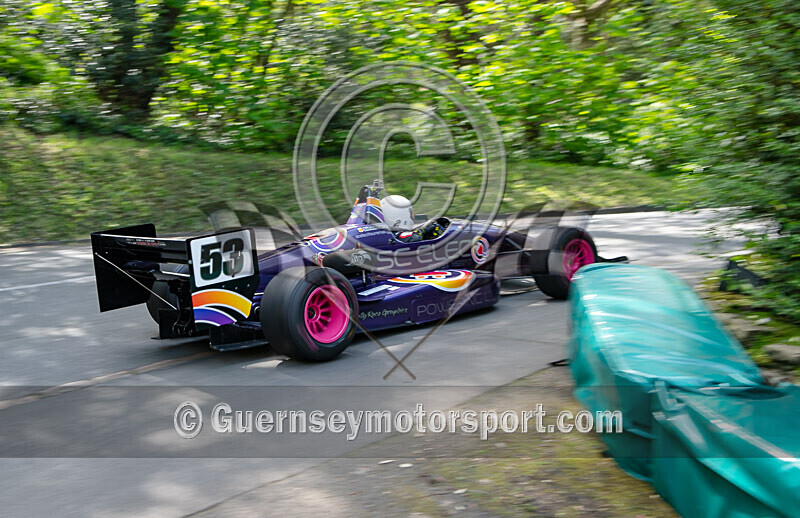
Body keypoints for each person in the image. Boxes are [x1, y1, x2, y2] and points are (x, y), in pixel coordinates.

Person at [380, 195, 447, 242]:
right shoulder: (404, 237)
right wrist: (423, 231)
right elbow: (413, 238)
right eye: (410, 213)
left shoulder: (384, 235)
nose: (412, 216)